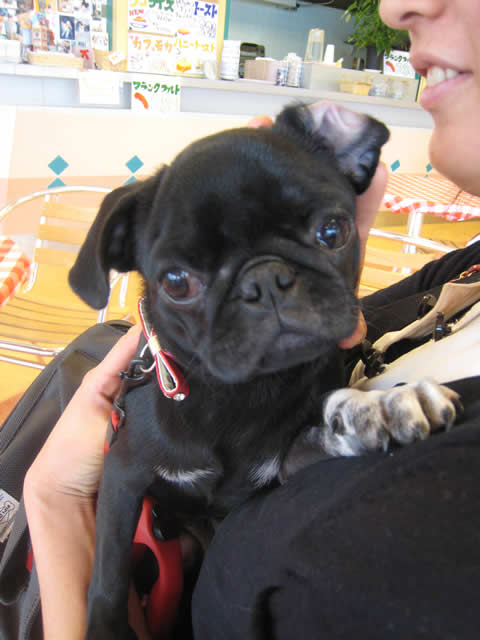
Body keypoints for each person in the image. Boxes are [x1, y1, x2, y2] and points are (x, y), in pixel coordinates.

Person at [22, 0, 480, 637]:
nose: (399, 5)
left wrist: (55, 499)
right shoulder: (465, 271)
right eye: (183, 279)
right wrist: (322, 253)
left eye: (326, 232)